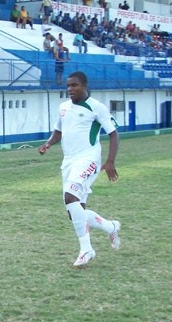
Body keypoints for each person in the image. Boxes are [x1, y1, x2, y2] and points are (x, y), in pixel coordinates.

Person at [38, 71, 121, 267]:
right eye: (68, 85)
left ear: (84, 86)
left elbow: (114, 134)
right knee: (75, 211)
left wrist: (110, 162)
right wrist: (48, 144)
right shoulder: (64, 108)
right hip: (69, 162)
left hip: (88, 160)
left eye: (74, 85)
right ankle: (111, 227)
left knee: (70, 197)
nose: (70, 89)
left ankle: (87, 249)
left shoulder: (96, 107)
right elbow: (59, 131)